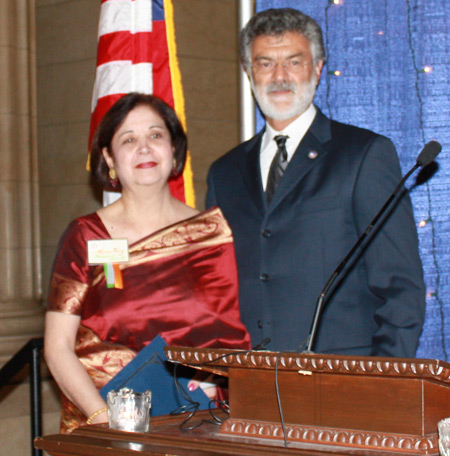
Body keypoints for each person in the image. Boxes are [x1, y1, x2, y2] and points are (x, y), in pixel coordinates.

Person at [206, 8, 425, 357]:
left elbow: (401, 287)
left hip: (344, 380)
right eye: (265, 63)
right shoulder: (224, 172)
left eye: (294, 62)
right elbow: (214, 288)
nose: (279, 76)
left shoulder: (365, 154)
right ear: (249, 73)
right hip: (251, 380)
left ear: (318, 68)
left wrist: (382, 384)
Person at [45, 93, 251, 433]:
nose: (144, 148)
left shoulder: (213, 235)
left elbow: (231, 337)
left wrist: (215, 380)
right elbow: (57, 347)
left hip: (196, 427)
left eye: (155, 135)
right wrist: (106, 420)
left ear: (174, 150)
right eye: (128, 139)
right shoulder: (86, 236)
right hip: (106, 428)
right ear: (109, 157)